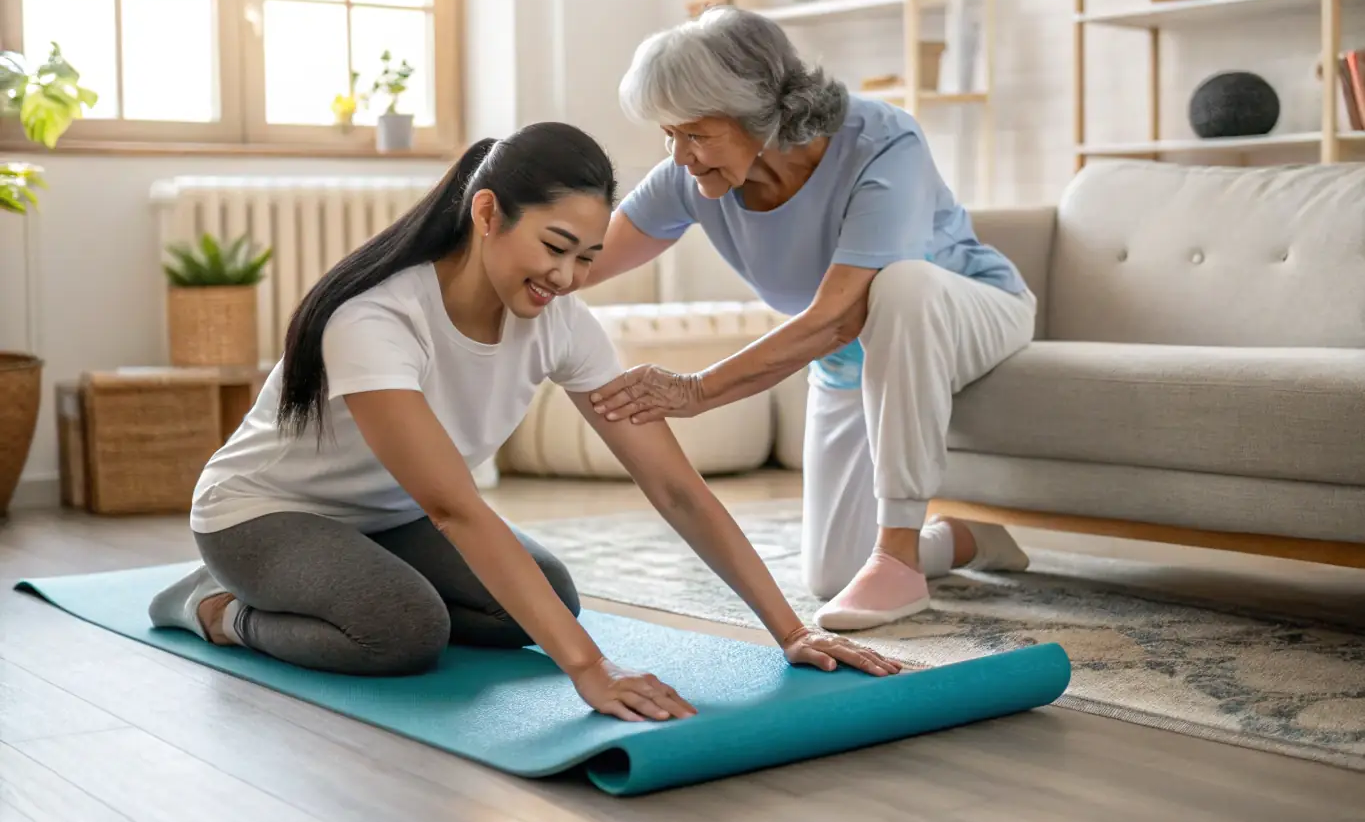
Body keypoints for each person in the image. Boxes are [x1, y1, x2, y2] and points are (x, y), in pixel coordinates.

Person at [148, 121, 900, 723]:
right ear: (486, 214)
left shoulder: (561, 325)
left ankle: (338, 581)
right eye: (554, 247)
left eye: (588, 257)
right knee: (401, 630)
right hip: (264, 513)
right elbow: (454, 507)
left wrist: (790, 629)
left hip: (384, 517)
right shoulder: (376, 318)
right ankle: (212, 607)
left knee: (542, 598)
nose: (567, 278)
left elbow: (673, 487)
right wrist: (588, 665)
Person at [583, 7, 1036, 633]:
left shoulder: (882, 142)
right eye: (670, 135)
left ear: (757, 112)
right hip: (850, 359)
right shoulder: (691, 178)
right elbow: (584, 261)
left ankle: (900, 558)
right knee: (830, 574)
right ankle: (967, 541)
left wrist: (696, 390)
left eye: (696, 134)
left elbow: (837, 315)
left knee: (898, 286)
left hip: (973, 313)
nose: (680, 155)